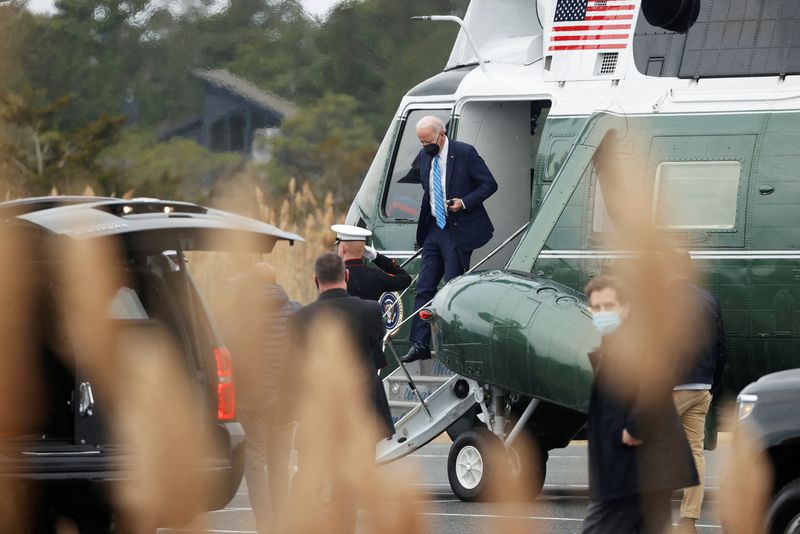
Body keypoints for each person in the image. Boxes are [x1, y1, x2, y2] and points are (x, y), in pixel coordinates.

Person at [582, 276, 698, 534]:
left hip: (633, 472)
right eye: (597, 308)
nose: (602, 313)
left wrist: (635, 429)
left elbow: (658, 380)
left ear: (625, 308)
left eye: (609, 306)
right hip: (639, 473)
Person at [402, 115, 498, 364]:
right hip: (435, 228)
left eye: (429, 142)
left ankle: (453, 344)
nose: (426, 147)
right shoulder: (425, 156)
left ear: (441, 134)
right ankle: (420, 343)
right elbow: (428, 190)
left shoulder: (465, 153)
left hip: (458, 227)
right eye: (421, 143)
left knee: (453, 285)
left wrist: (463, 203)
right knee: (424, 286)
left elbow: (489, 184)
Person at [224, 263, 300, 534]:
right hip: (285, 402)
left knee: (255, 463)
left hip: (253, 401)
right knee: (280, 464)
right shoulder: (295, 310)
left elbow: (229, 352)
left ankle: (265, 525)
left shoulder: (242, 315)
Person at [288, 252, 395, 439]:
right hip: (361, 413)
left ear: (316, 280)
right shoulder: (370, 311)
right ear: (346, 275)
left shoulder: (300, 319)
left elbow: (291, 370)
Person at [666, 250, 729, 534]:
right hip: (702, 387)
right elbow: (722, 347)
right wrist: (711, 385)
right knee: (694, 454)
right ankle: (688, 520)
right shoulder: (709, 300)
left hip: (671, 387)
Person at [331, 223, 412, 302]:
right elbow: (406, 279)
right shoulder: (376, 275)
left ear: (343, 248)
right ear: (364, 249)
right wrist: (377, 257)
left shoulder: (333, 276)